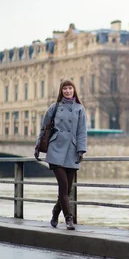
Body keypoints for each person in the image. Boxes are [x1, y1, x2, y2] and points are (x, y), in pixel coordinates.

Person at [35, 80, 87, 230]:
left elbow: (82, 132)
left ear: (74, 90)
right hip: (56, 149)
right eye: (65, 88)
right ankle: (69, 219)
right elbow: (44, 129)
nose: (68, 91)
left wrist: (81, 150)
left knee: (67, 189)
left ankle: (55, 212)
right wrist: (38, 146)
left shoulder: (79, 109)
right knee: (63, 186)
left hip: (72, 151)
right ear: (61, 91)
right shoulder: (54, 107)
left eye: (70, 88)